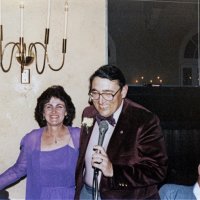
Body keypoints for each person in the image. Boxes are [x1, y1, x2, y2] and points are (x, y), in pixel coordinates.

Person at [75, 64, 168, 199]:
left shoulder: (144, 120)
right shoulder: (88, 113)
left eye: (108, 94)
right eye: (95, 93)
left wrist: (114, 170)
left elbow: (157, 170)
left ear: (123, 91)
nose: (101, 101)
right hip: (86, 194)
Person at [0, 85, 80, 200]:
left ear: (66, 111)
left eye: (59, 106)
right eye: (48, 106)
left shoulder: (78, 136)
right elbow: (18, 170)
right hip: (38, 196)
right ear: (42, 112)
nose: (54, 111)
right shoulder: (32, 139)